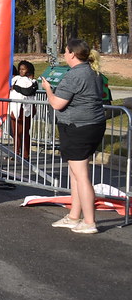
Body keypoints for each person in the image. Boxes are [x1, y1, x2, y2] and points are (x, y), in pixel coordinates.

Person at [41, 38, 107, 234]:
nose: (64, 54)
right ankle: (73, 216)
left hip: (78, 127)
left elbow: (57, 104)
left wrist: (48, 89)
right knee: (76, 173)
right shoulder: (93, 71)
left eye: (65, 51)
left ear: (72, 54)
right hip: (92, 125)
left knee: (81, 176)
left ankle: (89, 221)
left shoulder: (74, 75)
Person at [8, 60, 38, 159]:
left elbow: (27, 91)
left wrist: (16, 87)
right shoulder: (16, 79)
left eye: (23, 69)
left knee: (24, 132)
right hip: (15, 109)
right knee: (16, 132)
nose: (21, 71)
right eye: (20, 69)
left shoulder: (32, 81)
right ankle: (16, 152)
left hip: (25, 109)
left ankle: (25, 154)